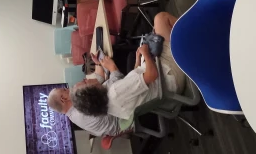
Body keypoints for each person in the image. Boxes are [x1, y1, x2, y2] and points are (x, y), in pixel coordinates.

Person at [48, 12, 185, 135]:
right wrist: (144, 55)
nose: (87, 79)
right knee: (160, 18)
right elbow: (151, 75)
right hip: (167, 76)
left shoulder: (103, 102)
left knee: (153, 37)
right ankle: (195, 38)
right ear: (92, 91)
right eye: (85, 82)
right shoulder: (115, 92)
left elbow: (132, 79)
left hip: (155, 84)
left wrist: (139, 59)